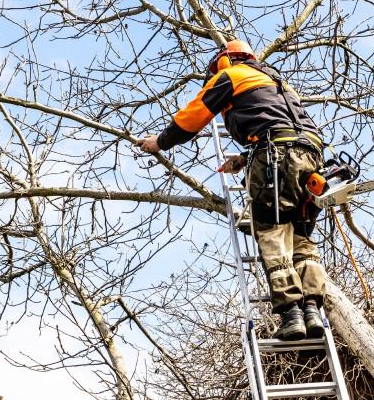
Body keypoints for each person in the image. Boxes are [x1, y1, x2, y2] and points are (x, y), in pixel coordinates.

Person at [136, 40, 329, 341]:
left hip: (276, 157)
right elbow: (281, 128)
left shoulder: (230, 76)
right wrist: (244, 159)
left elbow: (192, 118)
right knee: (301, 236)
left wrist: (159, 142)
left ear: (224, 62)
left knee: (271, 230)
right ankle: (314, 310)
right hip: (311, 158)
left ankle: (292, 313)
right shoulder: (277, 82)